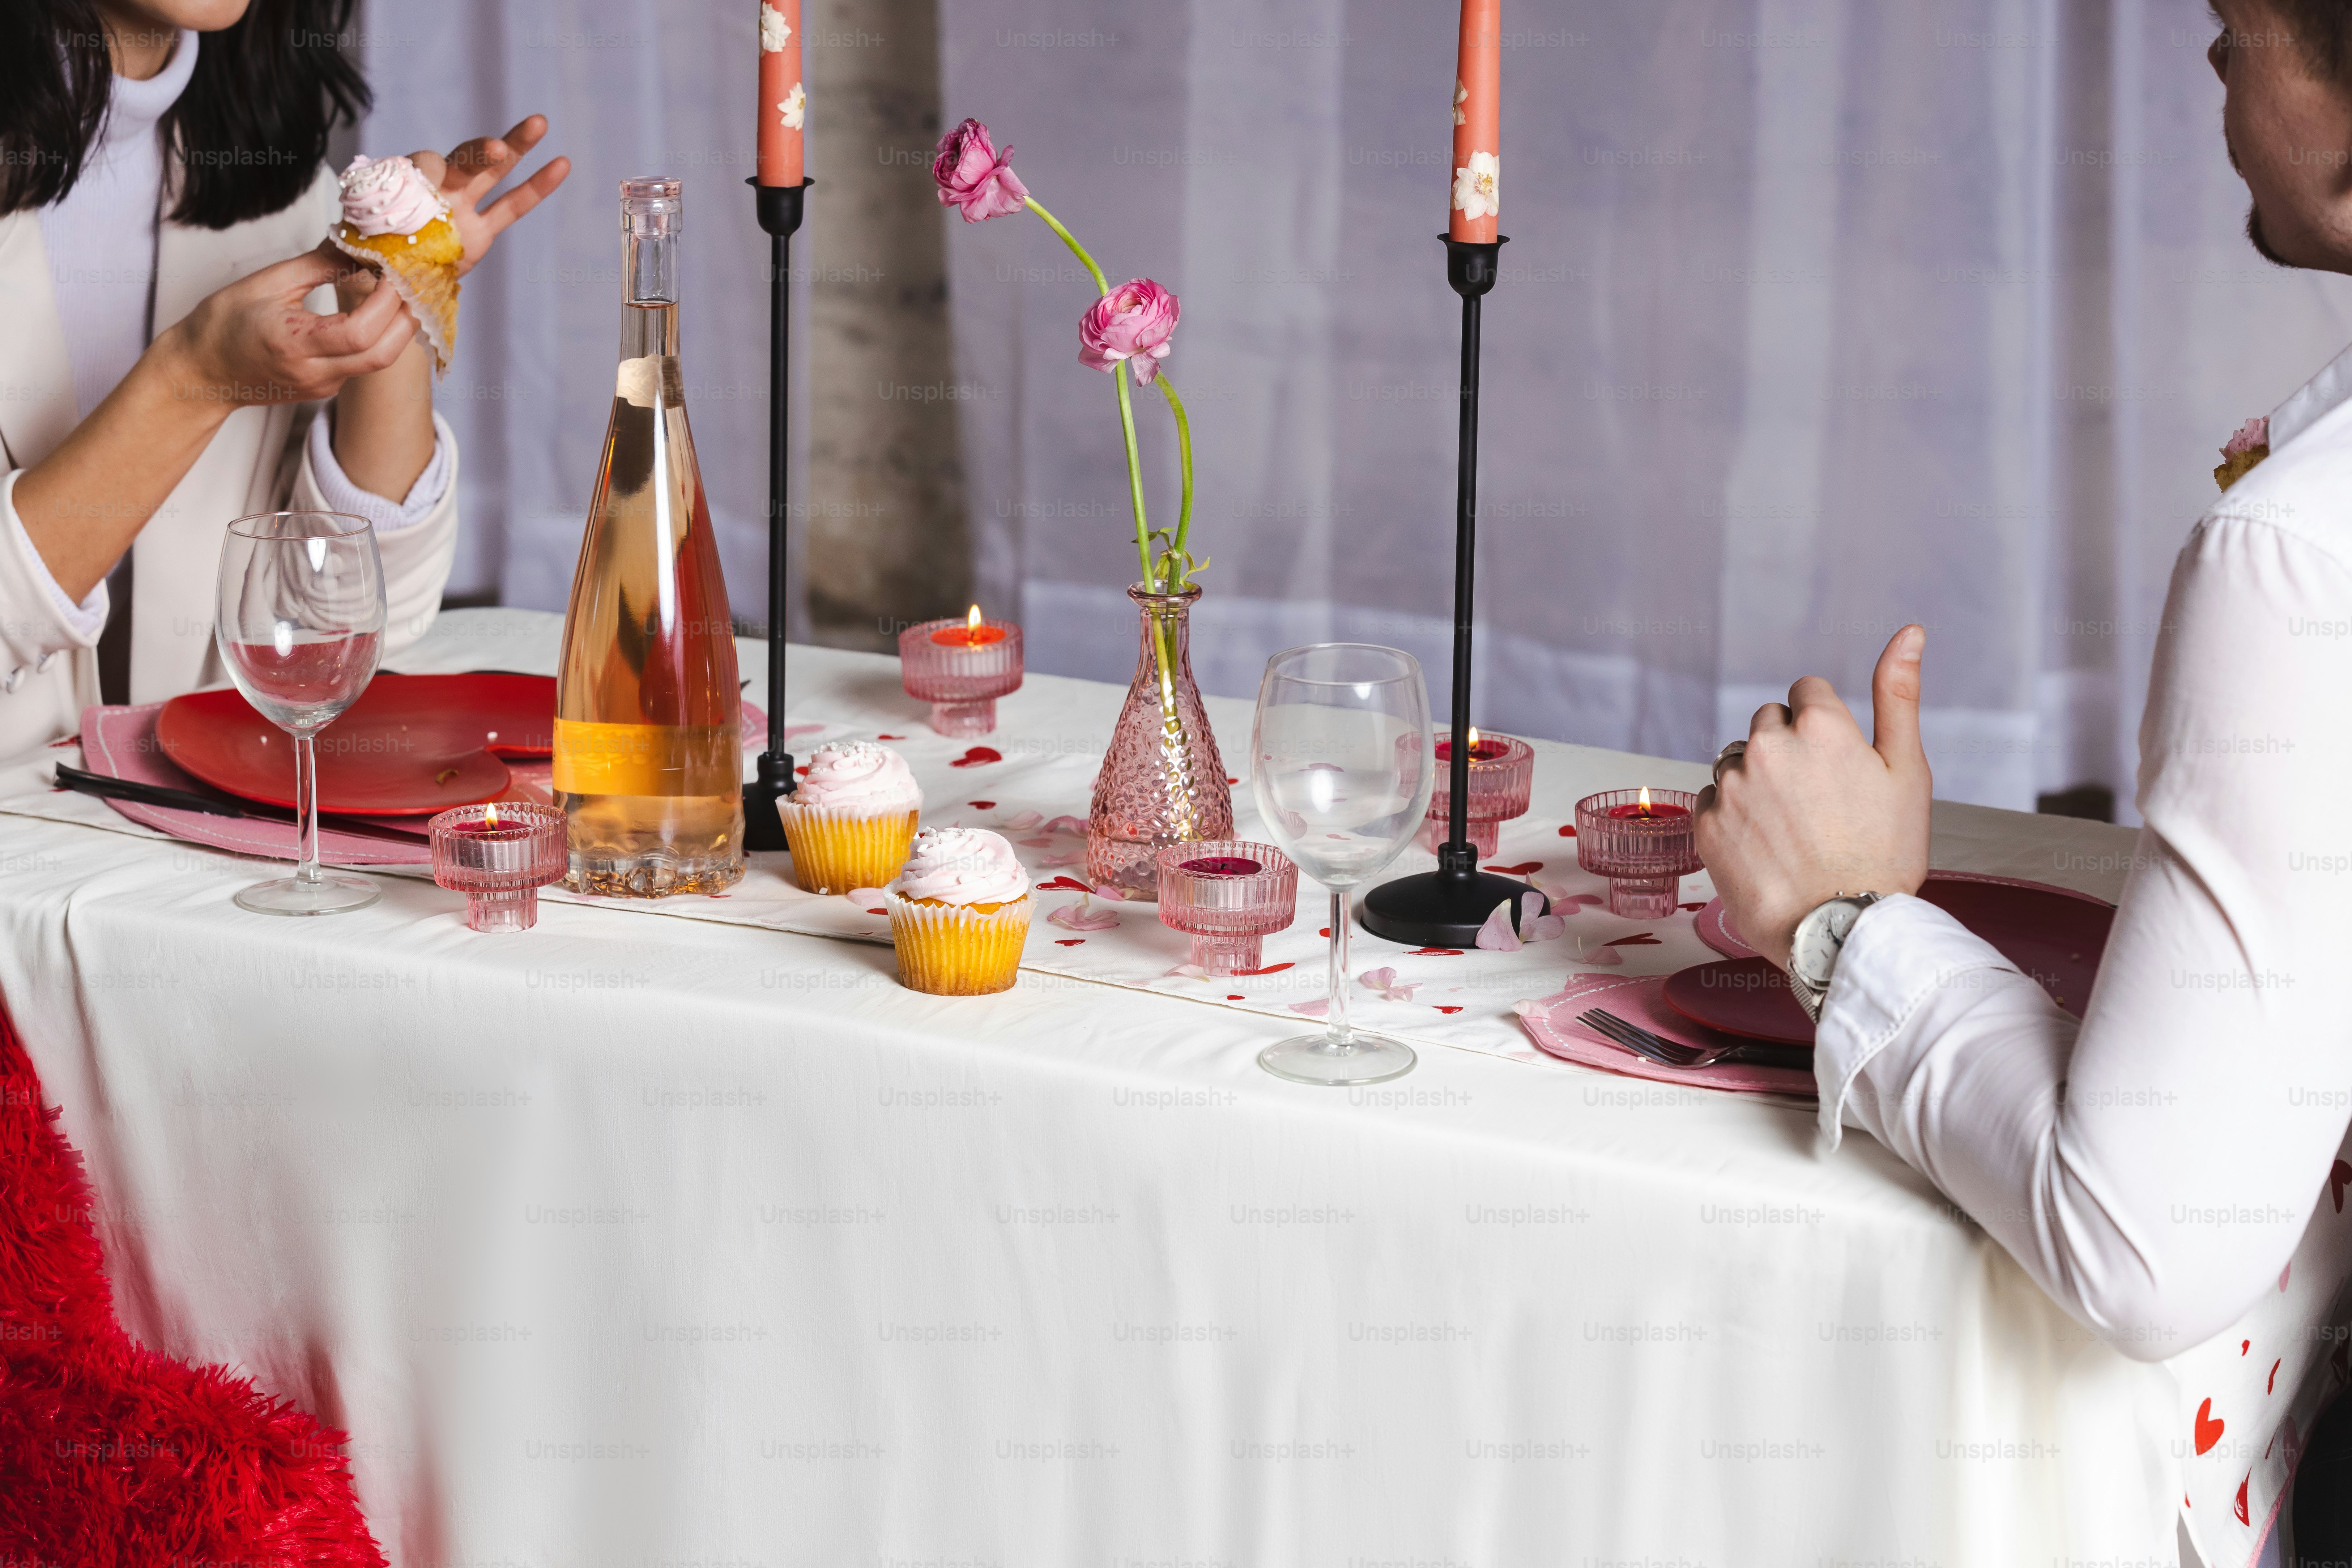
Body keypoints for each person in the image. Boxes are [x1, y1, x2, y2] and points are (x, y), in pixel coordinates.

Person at [1694, 0, 2352, 1558]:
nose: (2209, 53)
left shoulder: (2299, 552)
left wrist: (1842, 922)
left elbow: (2149, 1237)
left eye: (2237, 18)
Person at [0, 0, 568, 758]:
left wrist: (399, 271)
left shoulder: (273, 184)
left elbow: (344, 622)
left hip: (175, 818)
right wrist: (193, 381)